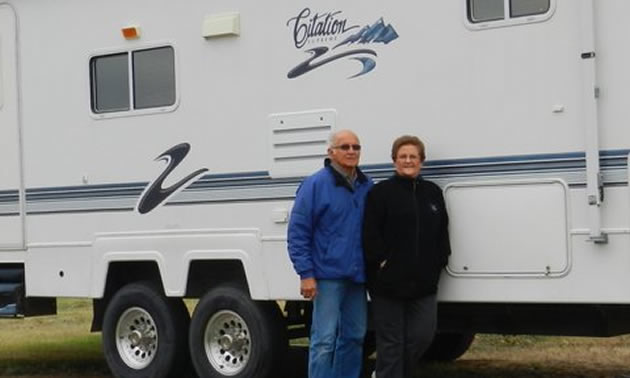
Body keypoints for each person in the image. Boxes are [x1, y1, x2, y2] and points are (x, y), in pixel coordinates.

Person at [363, 135, 451, 378]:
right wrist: (381, 263)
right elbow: (370, 234)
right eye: (403, 156)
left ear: (421, 161)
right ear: (394, 161)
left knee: (422, 336)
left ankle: (385, 374)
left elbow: (442, 231)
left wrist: (439, 260)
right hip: (387, 284)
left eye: (413, 156)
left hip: (424, 284)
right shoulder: (380, 193)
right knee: (391, 343)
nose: (408, 160)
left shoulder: (432, 192)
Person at [288, 129, 373, 378]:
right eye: (344, 147)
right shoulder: (315, 185)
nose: (351, 152)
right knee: (324, 340)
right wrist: (306, 274)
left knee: (355, 336)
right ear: (331, 152)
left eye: (355, 147)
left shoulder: (366, 186)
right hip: (326, 277)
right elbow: (298, 232)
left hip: (357, 277)